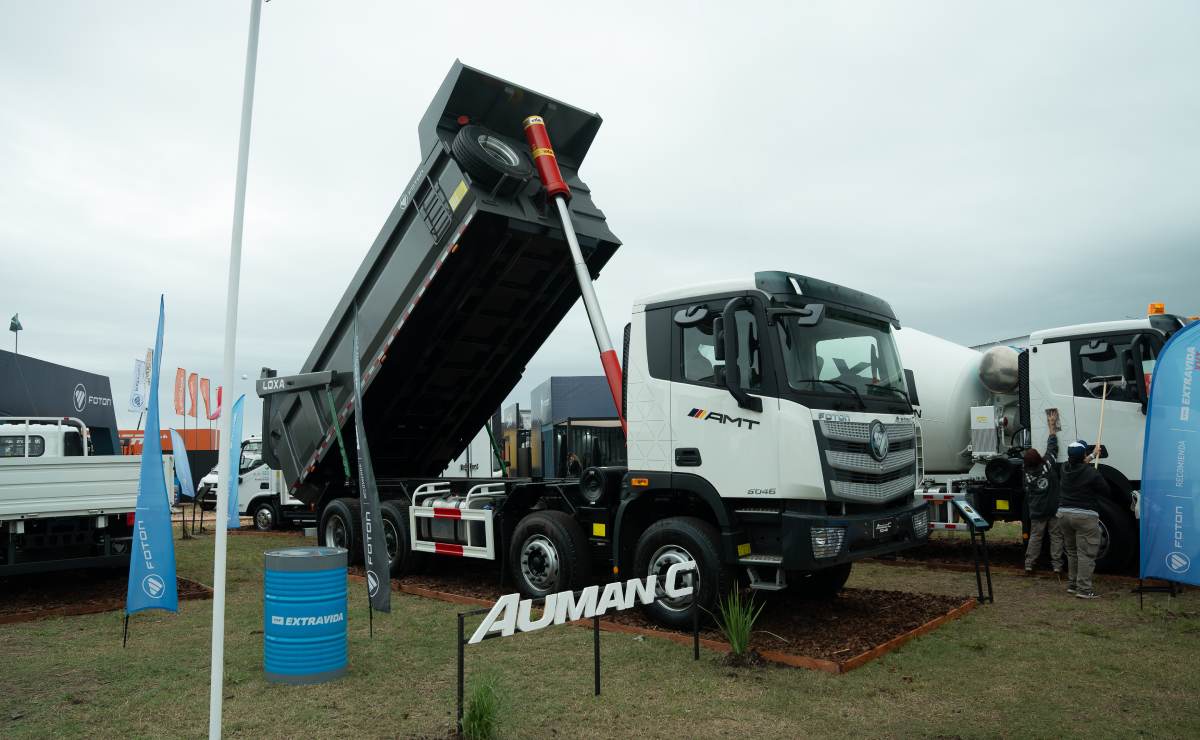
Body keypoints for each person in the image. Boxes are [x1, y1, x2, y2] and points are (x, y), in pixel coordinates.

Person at [1057, 440, 1108, 599]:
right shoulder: (1092, 473)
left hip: (1063, 515)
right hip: (1085, 516)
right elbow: (1106, 491)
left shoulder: (1064, 468)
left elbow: (1080, 462)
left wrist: (1093, 454)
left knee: (1072, 552)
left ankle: (1072, 585)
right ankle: (1084, 590)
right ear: (1083, 455)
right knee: (1085, 554)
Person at [1022, 413, 1063, 575]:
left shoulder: (1026, 474)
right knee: (1056, 537)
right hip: (1053, 509)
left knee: (1036, 537)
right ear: (1039, 458)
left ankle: (1029, 564)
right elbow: (1053, 447)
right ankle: (1057, 565)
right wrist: (1051, 426)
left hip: (1037, 511)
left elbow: (1026, 489)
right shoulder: (1048, 465)